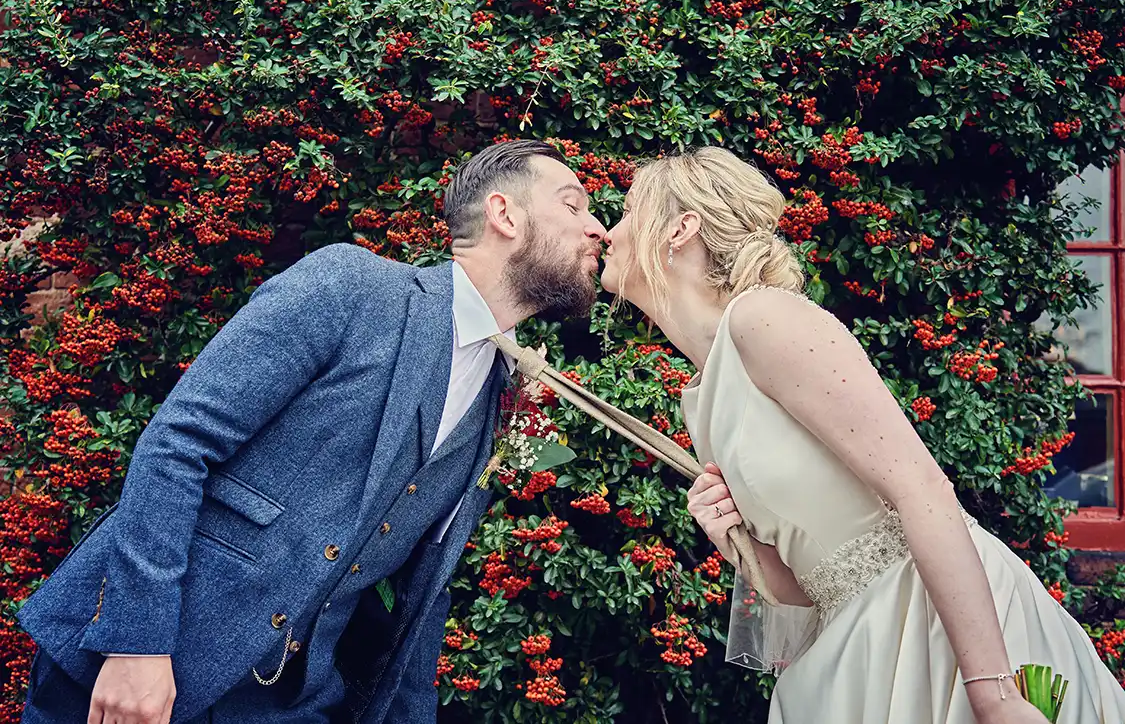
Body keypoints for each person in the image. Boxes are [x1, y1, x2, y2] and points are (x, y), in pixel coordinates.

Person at [19, 139, 607, 724]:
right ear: (505, 215)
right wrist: (137, 644)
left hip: (292, 699)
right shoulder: (351, 285)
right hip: (139, 670)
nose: (598, 229)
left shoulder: (498, 394)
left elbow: (423, 590)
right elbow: (178, 444)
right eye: (574, 205)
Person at [599, 145, 1125, 724]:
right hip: (852, 643)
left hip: (933, 629)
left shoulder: (765, 319)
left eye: (626, 211)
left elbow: (921, 487)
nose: (610, 230)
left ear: (682, 227)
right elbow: (804, 590)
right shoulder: (700, 396)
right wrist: (732, 541)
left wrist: (992, 694)